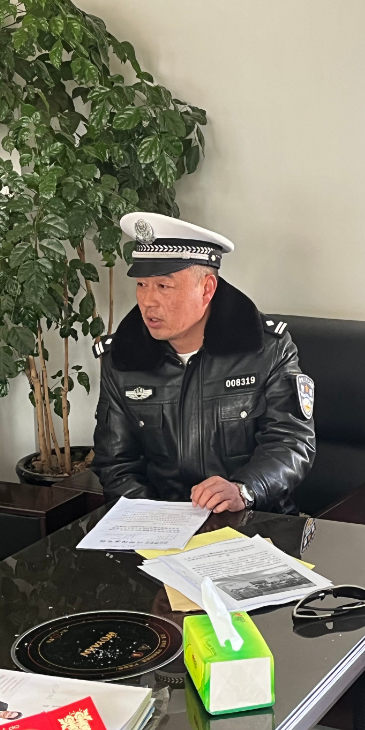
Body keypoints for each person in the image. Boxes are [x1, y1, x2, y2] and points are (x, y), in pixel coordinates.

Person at [92, 212, 316, 515]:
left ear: (207, 289)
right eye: (142, 285)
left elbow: (290, 442)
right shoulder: (122, 358)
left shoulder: (267, 349)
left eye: (163, 286)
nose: (147, 301)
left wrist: (245, 490)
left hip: (253, 520)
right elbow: (116, 464)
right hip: (159, 524)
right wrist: (157, 522)